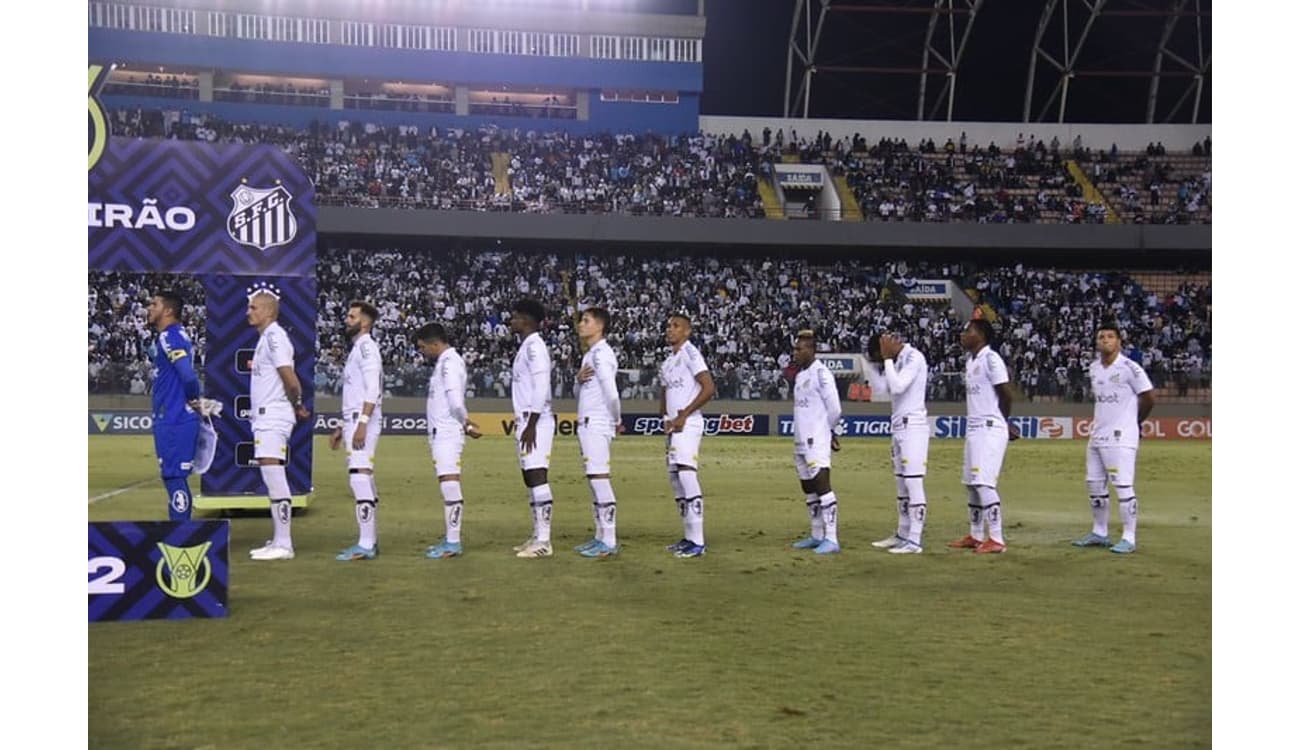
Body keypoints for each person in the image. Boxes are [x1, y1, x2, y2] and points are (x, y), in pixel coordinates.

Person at [1072, 322, 1156, 554]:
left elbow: (1148, 397)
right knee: (1094, 485)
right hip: (1097, 435)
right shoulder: (1094, 368)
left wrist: (1135, 422)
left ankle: (1129, 537)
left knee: (1123, 486)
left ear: (1119, 341)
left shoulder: (1131, 368)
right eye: (1101, 337)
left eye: (1110, 337)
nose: (1105, 340)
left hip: (1121, 437)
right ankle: (1099, 532)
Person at [246, 285, 311, 561]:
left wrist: (296, 403)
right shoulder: (266, 338)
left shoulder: (274, 337)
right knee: (269, 473)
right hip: (266, 415)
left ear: (269, 311)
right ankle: (278, 539)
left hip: (273, 414)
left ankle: (284, 544)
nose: (248, 312)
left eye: (254, 307)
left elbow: (289, 376)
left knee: (273, 475)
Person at [948, 318, 1018, 554]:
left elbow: (1006, 394)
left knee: (983, 482)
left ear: (981, 335)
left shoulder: (991, 358)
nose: (963, 334)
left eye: (968, 330)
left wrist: (1003, 422)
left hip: (989, 427)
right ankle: (976, 535)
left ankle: (996, 538)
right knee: (970, 484)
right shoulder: (971, 361)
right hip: (975, 427)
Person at [416, 323, 482, 560]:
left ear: (435, 344)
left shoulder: (450, 363)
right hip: (441, 431)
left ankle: (453, 542)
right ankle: (451, 539)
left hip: (447, 432)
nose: (423, 352)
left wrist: (465, 423)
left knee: (449, 481)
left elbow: (455, 399)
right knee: (447, 480)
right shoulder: (445, 363)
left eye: (423, 347)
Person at [865, 331, 931, 554]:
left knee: (913, 482)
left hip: (913, 426)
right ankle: (902, 533)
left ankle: (914, 540)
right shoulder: (898, 360)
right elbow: (883, 389)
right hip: (898, 427)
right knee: (902, 486)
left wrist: (886, 359)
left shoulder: (914, 357)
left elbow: (898, 386)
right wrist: (871, 367)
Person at [329, 301, 383, 561]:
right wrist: (343, 425)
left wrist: (362, 422)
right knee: (363, 477)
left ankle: (366, 544)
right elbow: (356, 392)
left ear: (365, 322)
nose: (347, 320)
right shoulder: (357, 350)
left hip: (364, 420)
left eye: (352, 317)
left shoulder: (367, 349)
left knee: (359, 477)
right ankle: (370, 540)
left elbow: (373, 389)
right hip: (354, 419)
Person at [660, 313, 716, 558]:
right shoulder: (668, 361)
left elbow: (708, 387)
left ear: (687, 332)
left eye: (676, 326)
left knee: (686, 474)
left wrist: (684, 415)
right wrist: (665, 417)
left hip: (689, 423)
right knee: (676, 479)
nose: (670, 330)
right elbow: (665, 393)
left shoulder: (691, 353)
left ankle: (698, 542)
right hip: (674, 427)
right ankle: (688, 536)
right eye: (669, 326)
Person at [145, 290, 203, 522]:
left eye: (154, 304)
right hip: (175, 416)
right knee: (174, 476)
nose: (149, 308)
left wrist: (192, 399)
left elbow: (188, 376)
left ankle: (180, 534)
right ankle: (182, 531)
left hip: (174, 417)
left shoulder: (170, 336)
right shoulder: (178, 334)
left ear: (168, 310)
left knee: (173, 477)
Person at [509, 299, 558, 558]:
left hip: (534, 419)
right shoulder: (526, 347)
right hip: (527, 419)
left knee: (537, 475)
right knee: (530, 477)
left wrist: (533, 422)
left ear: (527, 320)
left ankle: (544, 541)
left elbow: (541, 385)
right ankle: (537, 534)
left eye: (515, 317)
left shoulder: (535, 347)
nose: (511, 321)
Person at [573, 307, 623, 558]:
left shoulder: (602, 354)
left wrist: (616, 419)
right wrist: (578, 380)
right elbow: (580, 393)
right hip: (587, 423)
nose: (581, 324)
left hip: (597, 422)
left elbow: (611, 392)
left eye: (586, 320)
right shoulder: (591, 355)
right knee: (594, 480)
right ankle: (600, 536)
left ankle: (610, 540)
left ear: (599, 327)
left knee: (600, 479)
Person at [787, 330, 843, 555]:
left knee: (822, 486)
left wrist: (829, 432)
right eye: (795, 348)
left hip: (816, 440)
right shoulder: (801, 375)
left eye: (799, 349)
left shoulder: (822, 374)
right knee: (809, 489)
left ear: (812, 350)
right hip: (800, 439)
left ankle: (832, 538)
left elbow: (835, 409)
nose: (796, 352)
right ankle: (817, 535)